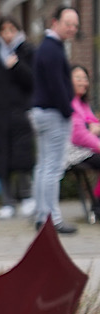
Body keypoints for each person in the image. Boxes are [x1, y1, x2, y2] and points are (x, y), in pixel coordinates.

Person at [28, 4, 81, 234]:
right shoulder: (52, 50)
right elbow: (56, 85)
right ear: (55, 22)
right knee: (53, 168)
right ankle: (52, 219)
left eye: (75, 25)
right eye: (68, 24)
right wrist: (68, 111)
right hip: (53, 114)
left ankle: (42, 215)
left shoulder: (47, 47)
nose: (72, 29)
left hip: (42, 113)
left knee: (43, 166)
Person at [0, 16, 35, 218]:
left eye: (12, 30)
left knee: (22, 158)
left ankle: (27, 197)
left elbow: (33, 82)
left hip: (20, 115)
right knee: (1, 161)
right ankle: (7, 202)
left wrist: (17, 66)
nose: (8, 34)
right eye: (4, 30)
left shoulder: (27, 52)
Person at [68, 64, 100, 221]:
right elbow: (78, 135)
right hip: (74, 152)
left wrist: (94, 128)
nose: (83, 82)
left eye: (85, 78)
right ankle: (97, 207)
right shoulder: (70, 103)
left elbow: (94, 124)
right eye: (78, 78)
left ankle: (97, 205)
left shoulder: (83, 103)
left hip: (87, 149)